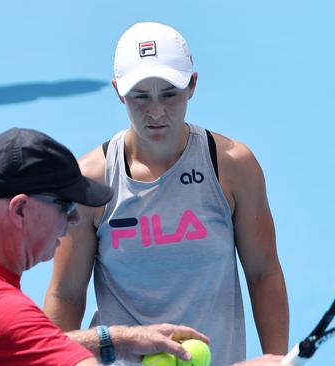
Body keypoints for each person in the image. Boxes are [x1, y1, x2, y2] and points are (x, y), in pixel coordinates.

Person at [43, 22, 290, 366]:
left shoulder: (234, 167)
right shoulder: (91, 181)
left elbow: (263, 271)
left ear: (192, 85)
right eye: (140, 97)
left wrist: (275, 358)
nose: (156, 112)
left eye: (169, 94)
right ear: (118, 92)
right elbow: (66, 294)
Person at [0, 127, 212, 366]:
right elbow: (13, 331)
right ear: (19, 209)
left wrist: (118, 339)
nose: (74, 220)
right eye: (64, 205)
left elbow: (20, 344)